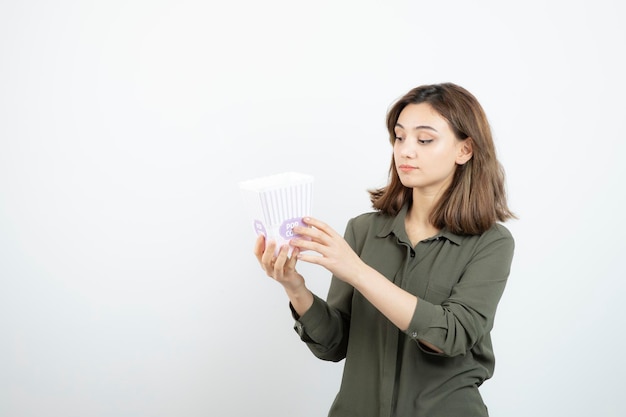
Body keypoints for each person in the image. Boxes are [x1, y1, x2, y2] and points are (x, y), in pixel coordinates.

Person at [253, 82, 515, 417]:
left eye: (424, 140)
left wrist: (358, 272)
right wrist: (294, 286)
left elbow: (451, 336)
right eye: (399, 137)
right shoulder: (364, 230)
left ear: (465, 150)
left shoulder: (491, 243)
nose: (406, 150)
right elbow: (333, 344)